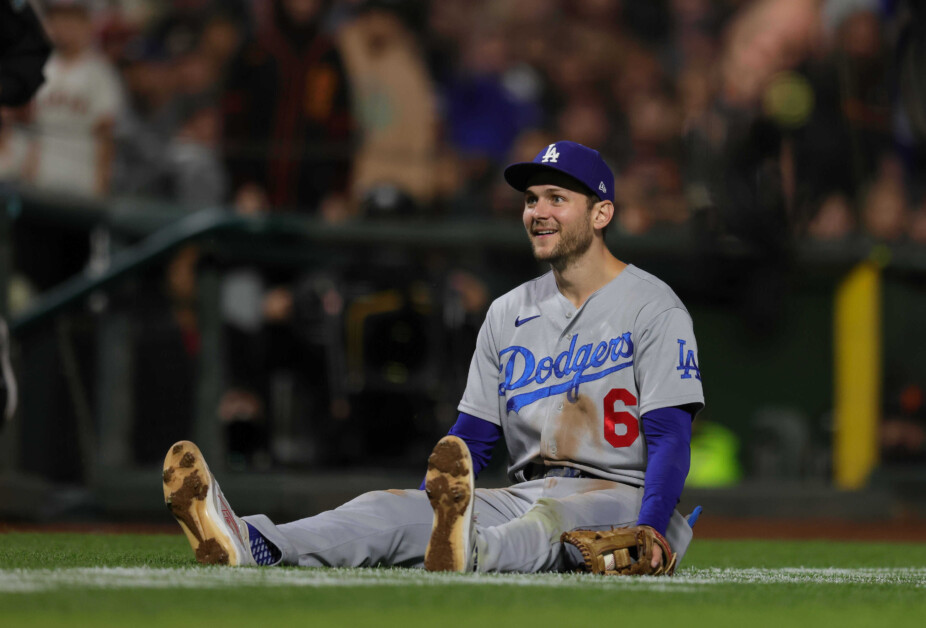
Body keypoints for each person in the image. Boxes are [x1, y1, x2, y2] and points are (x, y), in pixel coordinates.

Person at [163, 140, 704, 573]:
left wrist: (653, 526)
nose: (537, 211)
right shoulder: (508, 311)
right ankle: (257, 539)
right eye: (531, 199)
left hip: (621, 497)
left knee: (547, 518)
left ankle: (473, 553)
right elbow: (473, 435)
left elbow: (669, 437)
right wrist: (428, 507)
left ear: (602, 212)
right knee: (384, 506)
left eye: (556, 199)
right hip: (527, 486)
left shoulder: (653, 306)